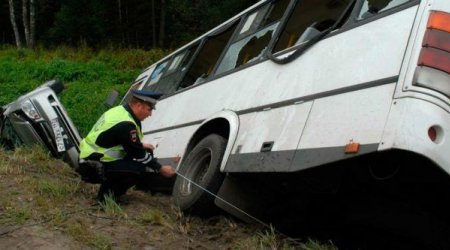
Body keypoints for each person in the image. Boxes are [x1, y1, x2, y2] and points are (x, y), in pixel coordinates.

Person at [78, 89, 176, 202]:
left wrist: (142, 145)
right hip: (93, 165)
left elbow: (119, 139)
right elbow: (139, 154)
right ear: (139, 105)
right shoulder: (126, 124)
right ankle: (105, 198)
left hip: (90, 156)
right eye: (149, 110)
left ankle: (111, 190)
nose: (150, 114)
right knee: (139, 169)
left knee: (145, 153)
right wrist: (161, 168)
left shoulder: (120, 111)